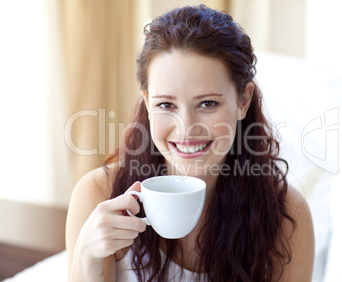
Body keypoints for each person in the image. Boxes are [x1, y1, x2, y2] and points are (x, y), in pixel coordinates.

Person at [66, 4, 314, 282]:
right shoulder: (98, 195)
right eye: (166, 104)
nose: (186, 129)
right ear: (147, 102)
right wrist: (88, 261)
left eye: (208, 103)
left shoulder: (286, 214)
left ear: (243, 100)